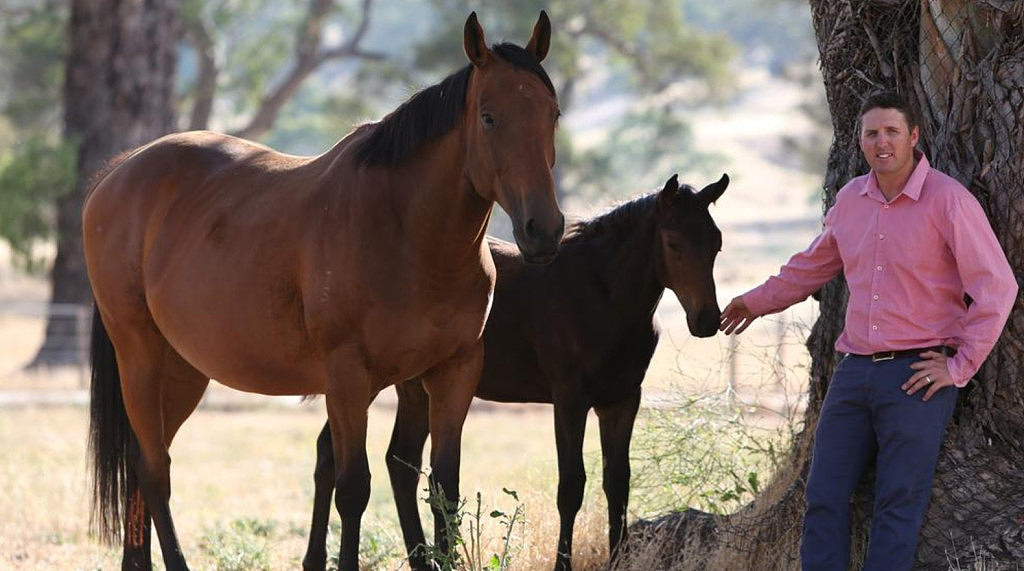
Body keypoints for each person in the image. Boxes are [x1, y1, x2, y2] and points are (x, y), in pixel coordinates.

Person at [719, 90, 1017, 570]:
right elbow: (809, 268)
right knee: (824, 498)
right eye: (872, 133)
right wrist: (754, 301)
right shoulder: (851, 200)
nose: (882, 143)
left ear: (914, 136)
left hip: (918, 376)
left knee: (897, 506)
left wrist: (960, 366)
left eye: (892, 132)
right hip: (853, 373)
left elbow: (997, 287)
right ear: (859, 140)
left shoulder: (948, 201)